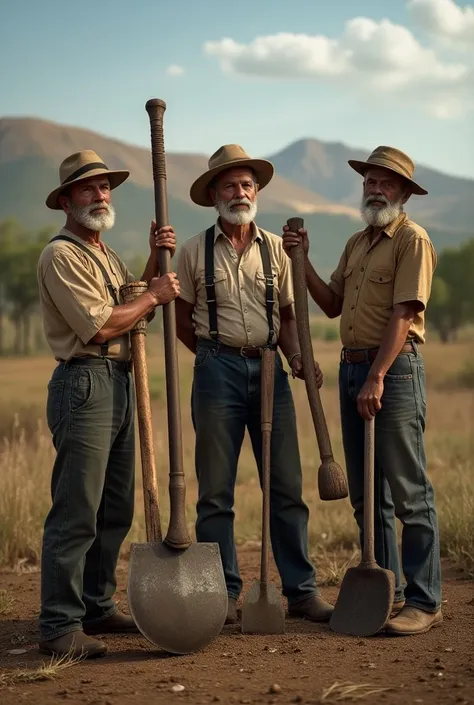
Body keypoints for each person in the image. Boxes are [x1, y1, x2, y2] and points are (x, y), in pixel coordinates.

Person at [282, 146, 442, 636]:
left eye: (385, 183)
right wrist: (302, 260)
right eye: (369, 182)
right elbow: (330, 305)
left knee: (409, 492)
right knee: (367, 496)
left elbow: (404, 314)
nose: (374, 190)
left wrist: (376, 376)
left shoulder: (411, 241)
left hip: (390, 373)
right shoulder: (356, 243)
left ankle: (424, 600)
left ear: (403, 193)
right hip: (351, 369)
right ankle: (386, 590)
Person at [175, 144, 333, 624]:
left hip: (270, 370)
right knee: (215, 492)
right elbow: (182, 321)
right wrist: (211, 357)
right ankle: (222, 593)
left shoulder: (275, 250)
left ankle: (301, 592)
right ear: (214, 196)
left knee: (285, 485)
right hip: (215, 369)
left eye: (246, 185)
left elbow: (287, 317)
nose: (239, 192)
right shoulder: (192, 251)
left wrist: (298, 356)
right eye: (230, 185)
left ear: (256, 192)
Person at [37, 150, 180, 657]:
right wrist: (155, 296)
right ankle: (59, 624)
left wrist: (151, 263)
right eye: (87, 190)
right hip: (85, 383)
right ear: (67, 202)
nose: (100, 196)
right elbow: (100, 325)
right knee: (77, 509)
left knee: (114, 507)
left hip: (121, 380)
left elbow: (132, 303)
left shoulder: (105, 253)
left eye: (104, 188)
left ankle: (95, 607)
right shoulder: (62, 255)